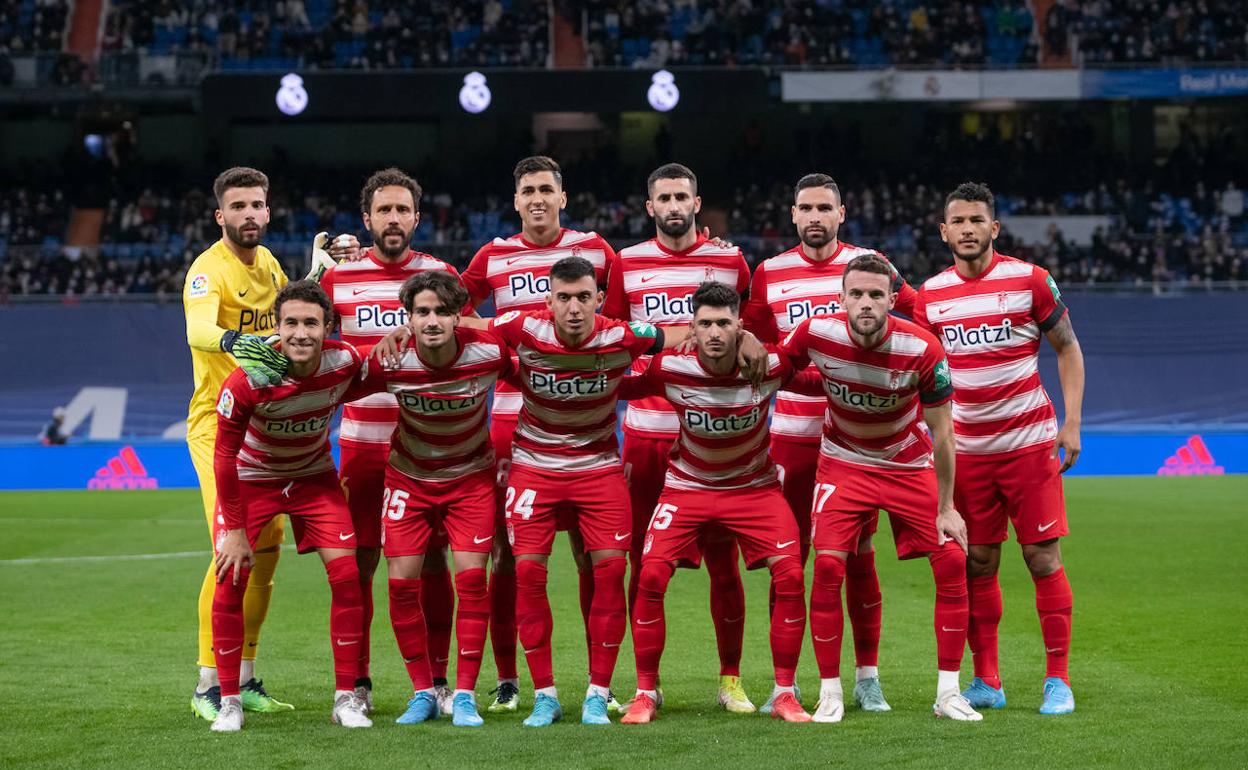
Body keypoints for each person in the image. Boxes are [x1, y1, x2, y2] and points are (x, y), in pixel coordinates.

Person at [741, 172, 918, 712]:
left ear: (842, 213)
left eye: (825, 208)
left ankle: (867, 677)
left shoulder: (871, 266)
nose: (815, 217)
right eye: (806, 208)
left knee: (858, 558)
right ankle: (785, 683)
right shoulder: (769, 274)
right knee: (788, 561)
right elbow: (756, 349)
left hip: (859, 442)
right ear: (792, 215)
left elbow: (919, 318)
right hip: (793, 438)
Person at [779, 253, 981, 723]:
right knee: (828, 565)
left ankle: (948, 693)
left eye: (875, 294)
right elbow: (777, 367)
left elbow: (944, 434)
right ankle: (830, 692)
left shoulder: (923, 348)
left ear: (892, 299)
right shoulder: (815, 332)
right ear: (841, 298)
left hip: (904, 462)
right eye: (857, 294)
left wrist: (947, 507)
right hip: (844, 462)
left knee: (952, 559)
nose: (865, 303)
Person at [915, 182, 1084, 716]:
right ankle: (987, 680)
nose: (967, 229)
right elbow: (920, 374)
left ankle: (1058, 680)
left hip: (1029, 446)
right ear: (944, 232)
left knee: (1042, 557)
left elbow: (1068, 348)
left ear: (994, 227)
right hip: (966, 453)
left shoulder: (1030, 280)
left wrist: (1072, 422)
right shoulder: (929, 296)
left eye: (976, 220)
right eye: (957, 221)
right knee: (979, 562)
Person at [459, 155, 619, 713]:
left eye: (546, 189)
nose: (537, 199)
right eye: (528, 190)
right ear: (516, 200)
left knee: (590, 554)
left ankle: (601, 683)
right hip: (511, 420)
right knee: (509, 557)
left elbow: (619, 318)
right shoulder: (492, 255)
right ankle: (509, 679)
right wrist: (499, 334)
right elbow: (453, 314)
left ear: (562, 197)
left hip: (582, 415)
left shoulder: (597, 251)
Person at [617, 282, 812, 725]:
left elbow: (816, 373)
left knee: (791, 574)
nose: (714, 332)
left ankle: (783, 692)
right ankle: (646, 691)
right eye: (705, 324)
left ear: (740, 325)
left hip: (754, 489)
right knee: (650, 575)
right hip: (688, 487)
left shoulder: (768, 366)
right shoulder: (670, 368)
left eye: (724, 323)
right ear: (692, 328)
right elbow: (623, 384)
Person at [602, 163, 756, 713]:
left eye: (681, 197)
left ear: (696, 202)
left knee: (723, 563)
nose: (673, 206)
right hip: (647, 434)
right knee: (643, 564)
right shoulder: (627, 263)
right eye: (663, 198)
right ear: (650, 207)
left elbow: (750, 332)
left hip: (714, 437)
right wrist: (669, 337)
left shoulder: (731, 261)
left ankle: (731, 679)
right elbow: (612, 335)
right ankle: (647, 684)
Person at [319, 167, 468, 714]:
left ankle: (438, 680)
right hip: (362, 444)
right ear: (367, 218)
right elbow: (310, 348)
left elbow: (467, 341)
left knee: (431, 562)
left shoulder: (441, 276)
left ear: (417, 218)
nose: (394, 218)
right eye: (384, 210)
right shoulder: (339, 278)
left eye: (403, 209)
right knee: (360, 563)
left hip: (426, 446)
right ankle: (357, 683)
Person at [208, 280, 371, 732]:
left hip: (313, 478)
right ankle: (229, 701)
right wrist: (235, 531)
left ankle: (346, 699)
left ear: (328, 327)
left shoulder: (344, 362)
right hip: (253, 480)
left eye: (311, 323)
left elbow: (380, 373)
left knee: (348, 575)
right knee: (231, 576)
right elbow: (223, 456)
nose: (301, 333)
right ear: (277, 327)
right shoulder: (247, 379)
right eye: (291, 323)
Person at [352, 271, 508, 728]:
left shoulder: (490, 353)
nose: (432, 320)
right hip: (409, 480)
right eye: (422, 312)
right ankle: (422, 691)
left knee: (472, 581)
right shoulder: (390, 361)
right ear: (408, 318)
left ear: (459, 316)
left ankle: (464, 695)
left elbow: (540, 361)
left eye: (442, 311)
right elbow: (334, 379)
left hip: (470, 481)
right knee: (401, 584)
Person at [183, 167, 293, 720]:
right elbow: (197, 330)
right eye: (238, 206)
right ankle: (208, 683)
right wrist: (237, 341)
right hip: (216, 423)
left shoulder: (269, 263)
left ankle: (245, 676)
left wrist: (319, 274)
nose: (248, 214)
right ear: (219, 215)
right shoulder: (208, 270)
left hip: (263, 423)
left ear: (267, 211)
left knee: (268, 545)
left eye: (256, 205)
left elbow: (291, 319)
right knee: (231, 546)